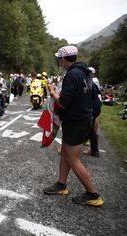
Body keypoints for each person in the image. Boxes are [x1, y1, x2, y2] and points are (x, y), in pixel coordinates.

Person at [44, 45, 103, 207]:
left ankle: (92, 194)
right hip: (81, 119)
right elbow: (93, 99)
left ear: (63, 59)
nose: (58, 61)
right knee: (64, 152)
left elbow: (62, 103)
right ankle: (61, 184)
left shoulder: (72, 75)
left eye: (59, 58)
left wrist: (52, 91)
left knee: (72, 158)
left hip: (76, 122)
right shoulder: (85, 73)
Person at [83, 67, 102, 157]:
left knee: (87, 127)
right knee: (90, 128)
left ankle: (67, 149)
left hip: (93, 106)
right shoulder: (93, 80)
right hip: (96, 104)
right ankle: (94, 150)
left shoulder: (89, 81)